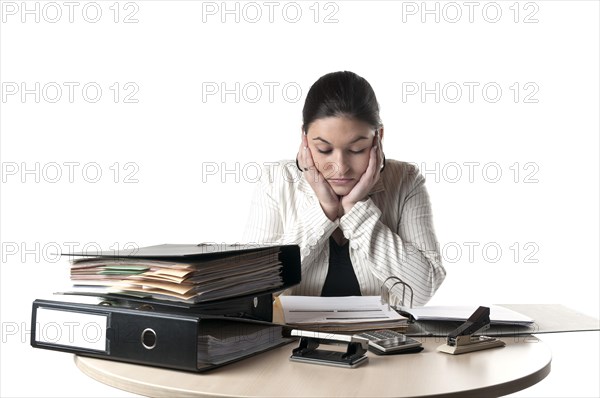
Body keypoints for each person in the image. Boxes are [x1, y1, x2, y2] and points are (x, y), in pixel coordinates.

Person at [243, 71, 445, 306]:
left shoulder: (406, 180)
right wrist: (324, 211)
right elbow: (253, 292)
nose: (340, 167)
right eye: (324, 150)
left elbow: (420, 292)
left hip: (383, 340)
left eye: (357, 149)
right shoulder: (275, 180)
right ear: (304, 139)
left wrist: (356, 211)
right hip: (295, 341)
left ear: (378, 137)